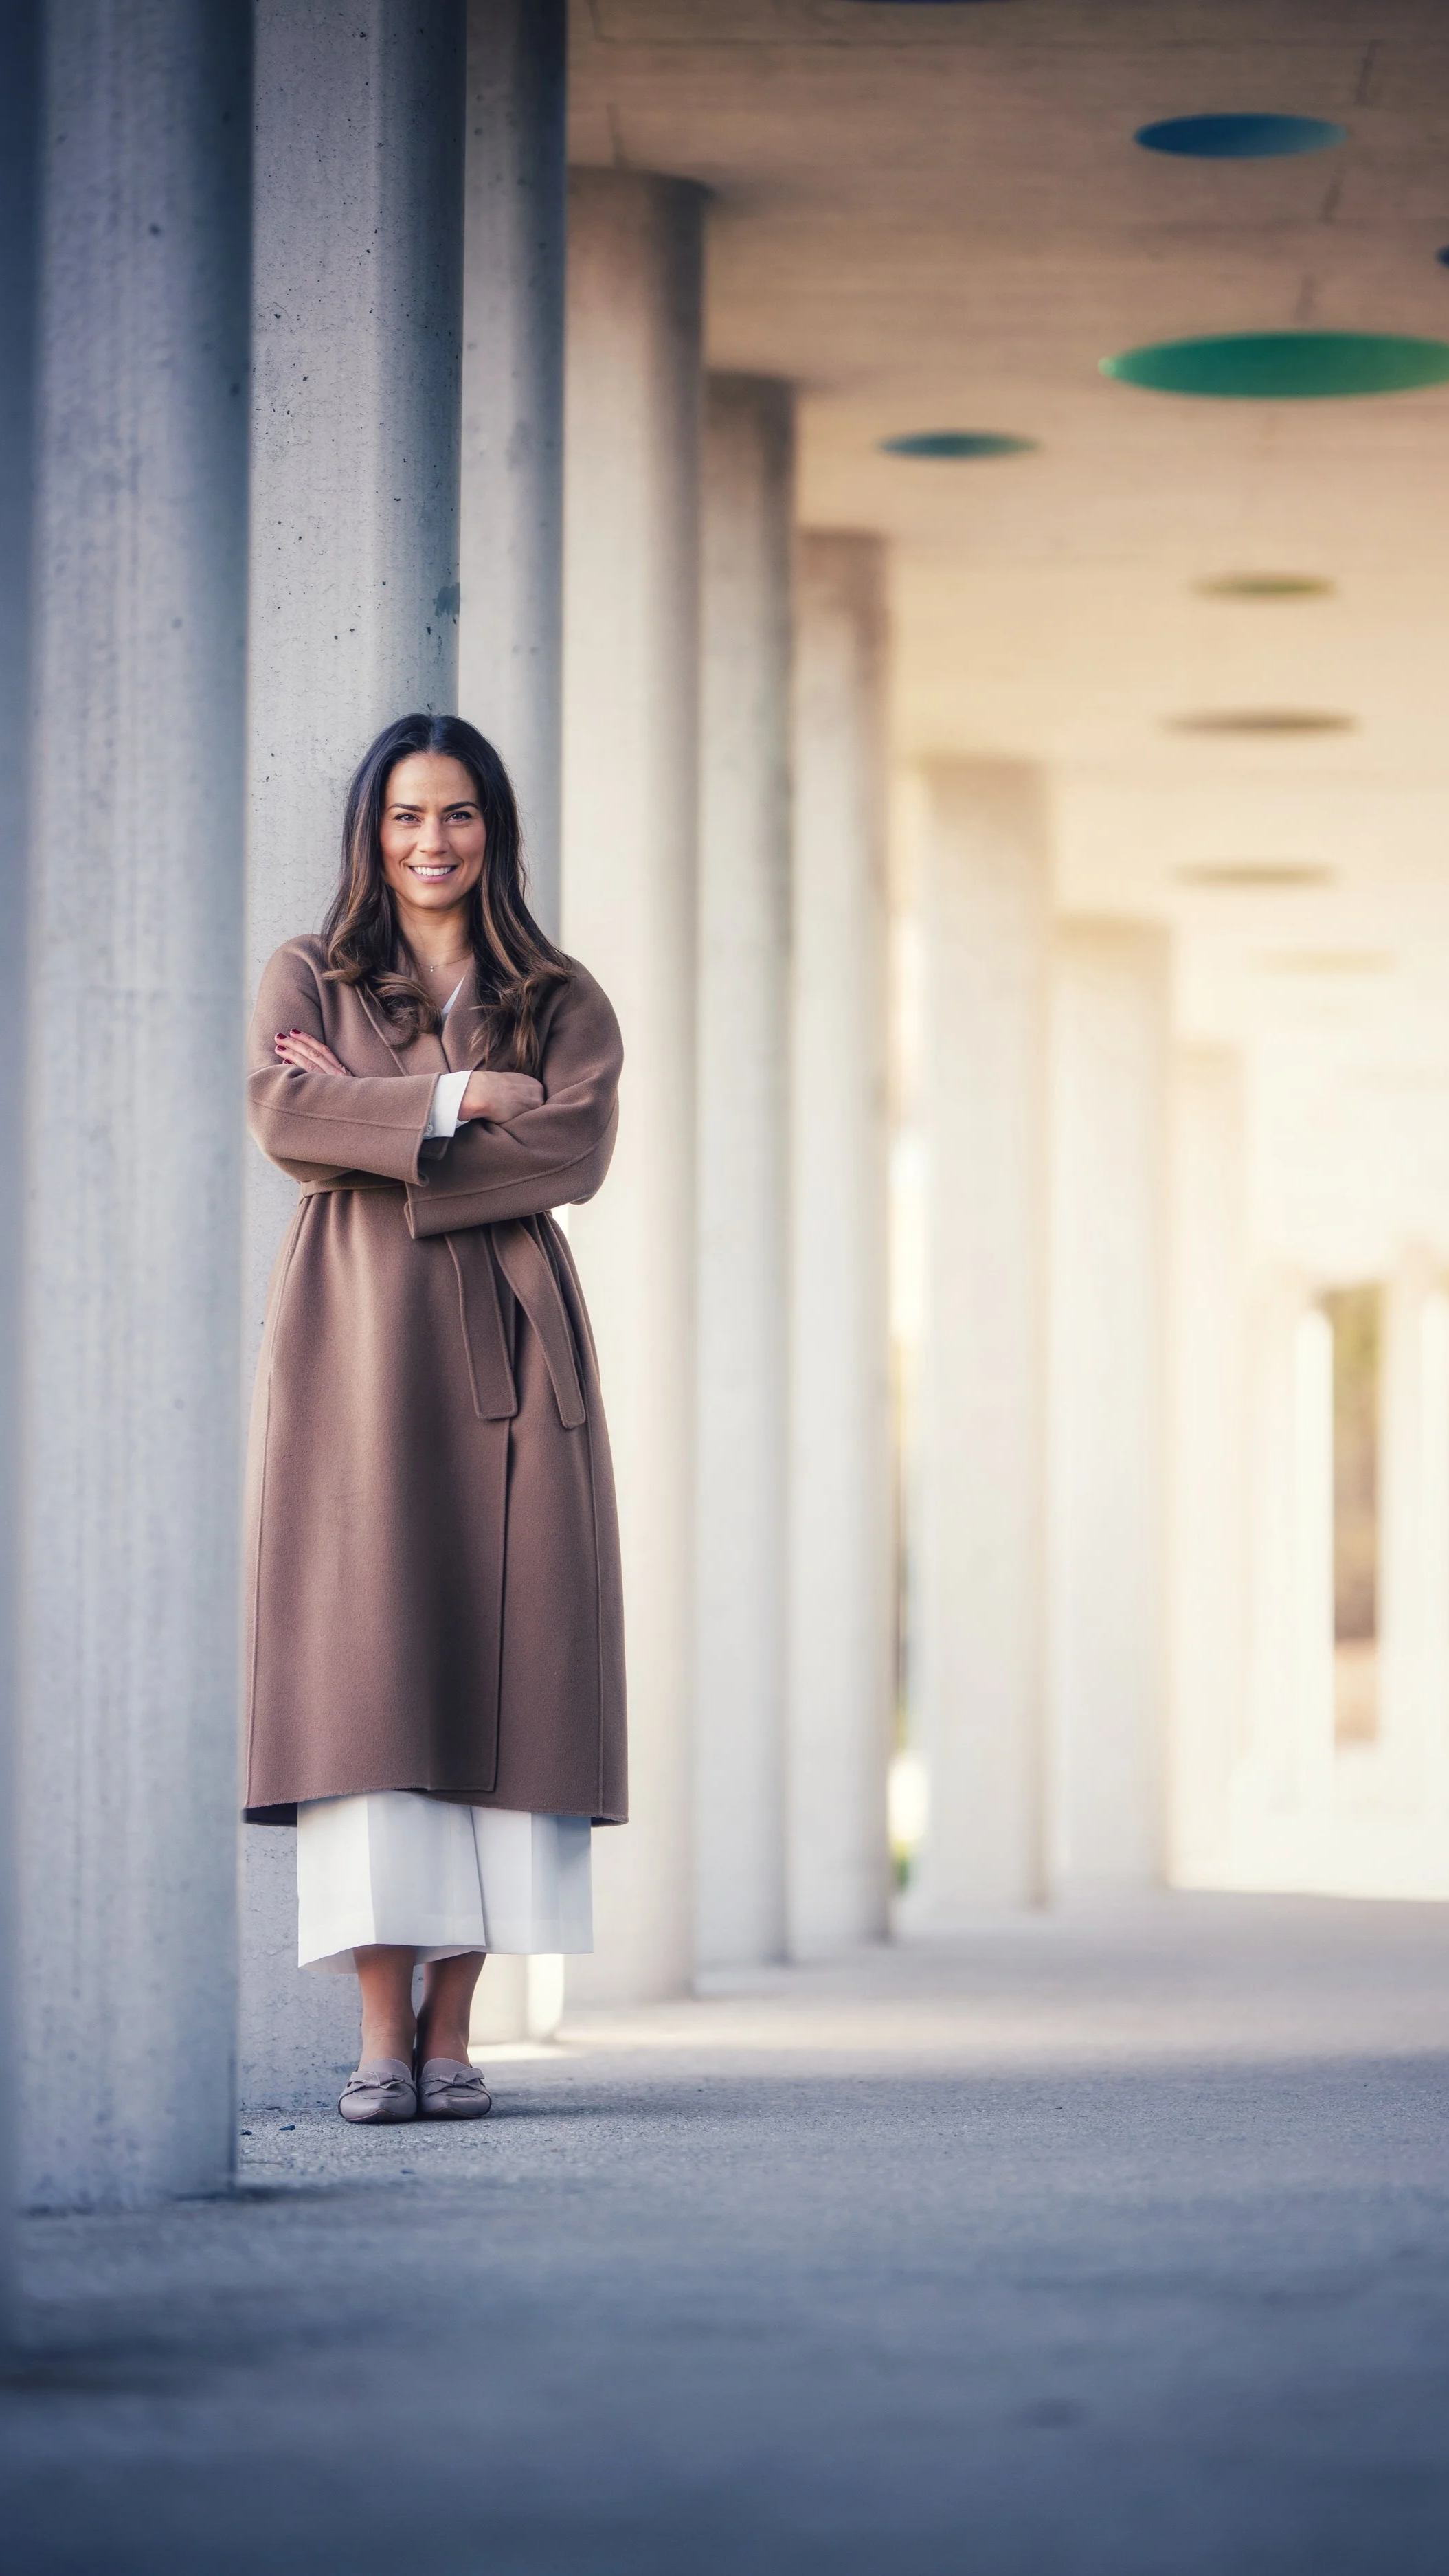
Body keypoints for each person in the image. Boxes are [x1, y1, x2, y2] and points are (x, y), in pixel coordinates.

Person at [243, 713, 627, 2124]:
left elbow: (574, 1146)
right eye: (406, 815)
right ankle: (373, 2029)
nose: (431, 840)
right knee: (370, 1664)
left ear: (493, 828)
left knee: (505, 1665)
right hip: (356, 1348)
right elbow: (285, 1117)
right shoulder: (312, 968)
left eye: (457, 814)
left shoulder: (558, 991)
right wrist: (466, 1100)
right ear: (372, 829)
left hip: (514, 1346)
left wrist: (380, 1123)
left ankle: (455, 2021)